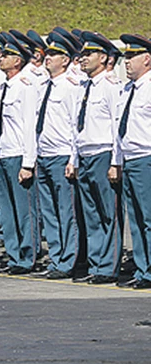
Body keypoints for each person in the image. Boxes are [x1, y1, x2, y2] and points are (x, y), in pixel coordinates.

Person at [69, 32, 123, 284]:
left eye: (89, 54)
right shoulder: (83, 87)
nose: (83, 58)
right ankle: (95, 264)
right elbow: (74, 127)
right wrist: (74, 159)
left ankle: (108, 266)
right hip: (85, 153)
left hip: (103, 153)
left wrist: (115, 161)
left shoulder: (111, 86)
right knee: (90, 214)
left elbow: (116, 126)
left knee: (107, 213)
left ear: (103, 58)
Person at [32, 31, 83, 280]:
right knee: (49, 213)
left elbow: (76, 125)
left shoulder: (72, 87)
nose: (48, 58)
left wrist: (74, 158)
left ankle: (67, 261)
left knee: (66, 212)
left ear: (66, 60)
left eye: (54, 54)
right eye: (48, 53)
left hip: (62, 155)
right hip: (44, 154)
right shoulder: (43, 87)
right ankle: (55, 256)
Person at [0, 34, 40, 275]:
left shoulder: (25, 87)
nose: (1, 58)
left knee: (24, 210)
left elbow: (30, 126)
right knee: (6, 209)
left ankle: (27, 256)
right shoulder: (3, 86)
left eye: (7, 55)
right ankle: (13, 255)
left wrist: (28, 162)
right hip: (2, 153)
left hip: (18, 154)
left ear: (18, 61)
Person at [114, 34, 151, 289]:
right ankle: (142, 269)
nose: (126, 62)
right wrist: (117, 161)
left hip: (147, 158)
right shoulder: (127, 88)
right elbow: (119, 129)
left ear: (147, 59)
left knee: (149, 218)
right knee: (136, 221)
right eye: (125, 57)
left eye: (131, 56)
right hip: (129, 159)